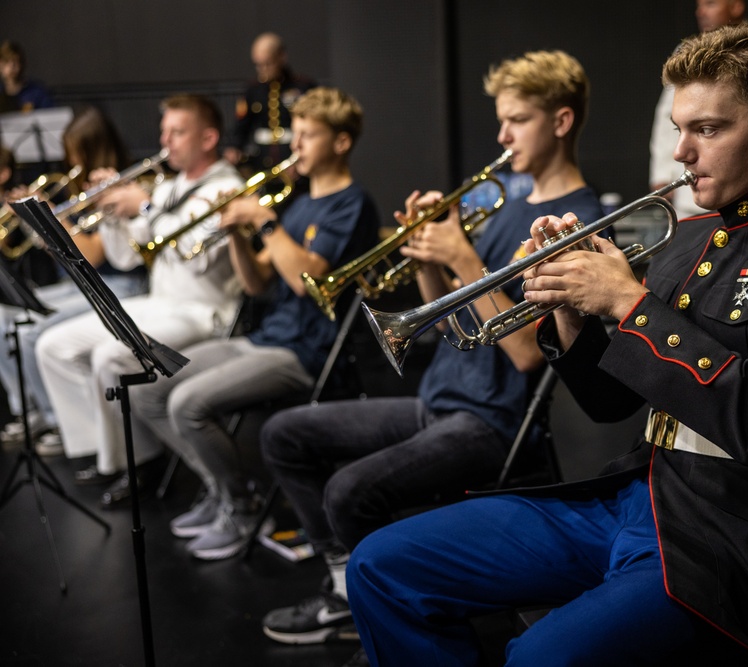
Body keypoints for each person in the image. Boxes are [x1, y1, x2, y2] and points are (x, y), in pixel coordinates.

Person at [346, 22, 748, 666]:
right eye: (680, 129)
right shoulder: (687, 238)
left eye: (708, 130)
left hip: (734, 534)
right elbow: (608, 403)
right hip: (636, 494)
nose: (683, 153)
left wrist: (626, 301)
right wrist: (571, 309)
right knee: (381, 565)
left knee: (536, 659)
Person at [258, 50, 603, 654]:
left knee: (348, 491)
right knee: (284, 435)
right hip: (438, 397)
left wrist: (463, 257)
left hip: (491, 419)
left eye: (516, 120)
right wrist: (427, 257)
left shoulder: (578, 220)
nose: (501, 136)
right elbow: (448, 321)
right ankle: (349, 586)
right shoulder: (506, 206)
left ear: (562, 121)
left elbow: (526, 355)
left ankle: (400, 620)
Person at [130, 87, 380, 559]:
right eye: (296, 135)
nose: (296, 146)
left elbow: (308, 280)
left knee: (186, 404)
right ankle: (221, 491)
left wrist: (264, 221)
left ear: (341, 143)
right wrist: (238, 236)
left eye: (308, 136)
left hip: (308, 351)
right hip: (267, 336)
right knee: (149, 388)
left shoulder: (352, 203)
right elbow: (257, 284)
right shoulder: (299, 203)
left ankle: (240, 505)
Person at [35, 94, 244, 508]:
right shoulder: (169, 186)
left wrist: (143, 206)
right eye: (164, 131)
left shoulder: (228, 187)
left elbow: (197, 254)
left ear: (208, 137)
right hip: (162, 301)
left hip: (205, 310)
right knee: (52, 347)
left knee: (111, 358)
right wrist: (114, 213)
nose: (166, 141)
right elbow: (125, 256)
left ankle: (140, 462)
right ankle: (107, 451)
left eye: (177, 131)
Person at [0, 107, 148, 456]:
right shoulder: (84, 189)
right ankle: (32, 409)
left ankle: (58, 421)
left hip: (120, 284)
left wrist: (50, 219)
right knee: (5, 318)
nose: (70, 162)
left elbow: (93, 256)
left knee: (33, 332)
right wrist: (39, 224)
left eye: (76, 153)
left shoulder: (117, 188)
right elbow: (68, 255)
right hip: (82, 281)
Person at [648, 0, 745, 219]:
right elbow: (667, 116)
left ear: (736, 6)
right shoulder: (687, 51)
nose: (700, 12)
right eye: (698, 5)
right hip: (691, 201)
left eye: (711, 3)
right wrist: (663, 172)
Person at [224, 32, 316, 173]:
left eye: (268, 63)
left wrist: (301, 159)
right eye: (258, 65)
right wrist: (234, 147)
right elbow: (242, 124)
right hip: (262, 160)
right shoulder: (253, 89)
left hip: (294, 158)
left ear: (281, 57)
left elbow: (313, 128)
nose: (263, 70)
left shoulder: (303, 86)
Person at [0, 40, 53, 112]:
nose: (12, 66)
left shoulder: (36, 92)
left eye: (15, 61)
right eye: (7, 62)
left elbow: (50, 116)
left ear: (22, 64)